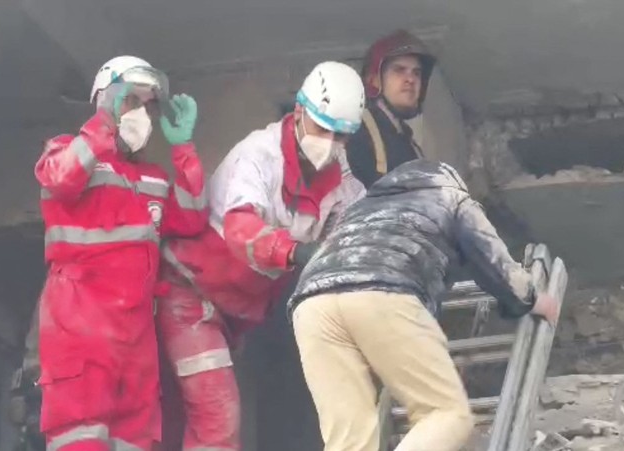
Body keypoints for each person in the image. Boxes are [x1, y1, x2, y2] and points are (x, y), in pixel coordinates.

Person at [157, 61, 367, 450]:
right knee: (218, 421)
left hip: (242, 314)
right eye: (324, 129)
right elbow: (241, 229)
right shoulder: (258, 156)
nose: (331, 143)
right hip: (192, 298)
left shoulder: (342, 181)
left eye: (341, 136)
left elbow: (360, 230)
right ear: (300, 111)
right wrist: (297, 252)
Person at [287, 159, 561, 451]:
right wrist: (532, 300)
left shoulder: (359, 209)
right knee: (445, 414)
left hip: (310, 305)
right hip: (383, 292)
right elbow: (494, 263)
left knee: (349, 439)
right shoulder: (450, 197)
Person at [34, 55, 208, 451]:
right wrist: (104, 127)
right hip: (80, 337)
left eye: (148, 105)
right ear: (105, 100)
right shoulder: (65, 152)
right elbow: (61, 177)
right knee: (80, 440)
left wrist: (183, 149)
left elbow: (193, 218)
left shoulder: (154, 179)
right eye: (131, 101)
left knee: (136, 441)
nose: (141, 113)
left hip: (136, 345)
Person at [346, 29, 437, 188]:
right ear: (373, 79)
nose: (410, 79)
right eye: (399, 70)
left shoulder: (408, 141)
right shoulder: (355, 130)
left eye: (416, 73)